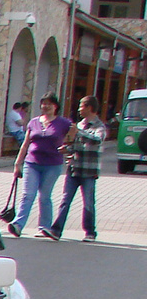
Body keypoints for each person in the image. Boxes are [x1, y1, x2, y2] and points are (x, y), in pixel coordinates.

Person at [10, 92, 71, 239]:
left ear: (56, 106)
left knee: (44, 196)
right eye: (43, 103)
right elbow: (25, 144)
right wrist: (18, 163)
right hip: (32, 163)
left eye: (49, 103)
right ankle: (18, 224)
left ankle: (45, 227)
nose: (46, 106)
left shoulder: (64, 123)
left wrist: (68, 150)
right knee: (27, 194)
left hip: (52, 165)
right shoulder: (34, 122)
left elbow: (71, 140)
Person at [49, 95, 105, 242]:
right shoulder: (78, 126)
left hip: (89, 172)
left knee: (88, 202)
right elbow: (75, 146)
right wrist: (66, 149)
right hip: (74, 169)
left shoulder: (99, 126)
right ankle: (56, 230)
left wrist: (78, 132)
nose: (79, 109)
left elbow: (96, 140)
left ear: (89, 108)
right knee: (65, 200)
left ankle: (90, 232)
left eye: (81, 106)